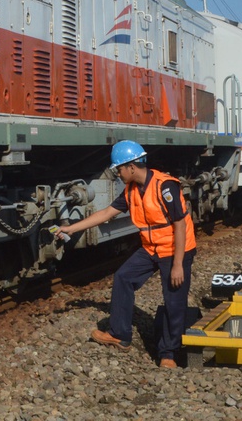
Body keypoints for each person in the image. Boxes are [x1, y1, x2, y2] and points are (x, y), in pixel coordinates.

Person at [57, 140, 196, 369]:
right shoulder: (131, 191)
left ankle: (168, 354)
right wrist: (71, 228)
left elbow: (180, 225)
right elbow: (105, 213)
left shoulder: (165, 186)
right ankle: (120, 335)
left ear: (132, 166)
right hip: (151, 248)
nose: (118, 173)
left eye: (119, 168)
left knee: (174, 300)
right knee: (123, 277)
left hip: (175, 249)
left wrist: (178, 264)